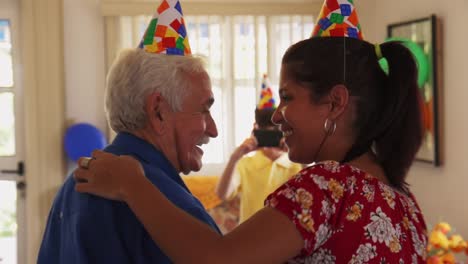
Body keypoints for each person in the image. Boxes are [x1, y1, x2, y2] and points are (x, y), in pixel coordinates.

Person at [74, 1, 428, 262]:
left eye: (287, 97)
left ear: (335, 103)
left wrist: (132, 185)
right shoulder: (402, 199)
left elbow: (217, 259)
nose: (275, 116)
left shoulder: (327, 186)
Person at [37, 0, 220, 263]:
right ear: (158, 112)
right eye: (204, 110)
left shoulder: (72, 187)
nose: (212, 130)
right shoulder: (165, 203)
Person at [216, 75, 302, 223]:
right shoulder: (245, 164)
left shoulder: (296, 165)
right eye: (265, 131)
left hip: (285, 239)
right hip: (250, 239)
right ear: (255, 129)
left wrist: (296, 150)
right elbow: (222, 194)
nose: (270, 134)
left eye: (274, 130)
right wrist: (235, 157)